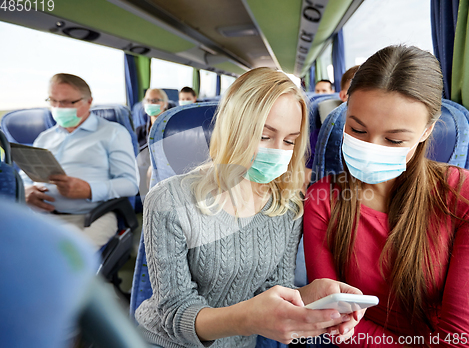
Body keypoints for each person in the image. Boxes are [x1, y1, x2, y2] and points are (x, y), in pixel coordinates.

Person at [135, 67, 364, 348]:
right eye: (265, 136)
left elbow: (273, 288)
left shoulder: (286, 206)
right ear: (233, 129)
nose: (279, 151)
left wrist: (311, 296)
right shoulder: (169, 201)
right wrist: (249, 320)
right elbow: (174, 313)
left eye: (290, 141)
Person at [304, 45, 469, 347]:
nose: (372, 147)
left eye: (394, 139)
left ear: (426, 131)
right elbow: (335, 318)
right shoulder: (323, 199)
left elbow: (466, 341)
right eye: (357, 130)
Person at [23, 73, 138, 249]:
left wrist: (89, 190)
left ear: (89, 102)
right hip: (40, 217)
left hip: (90, 217)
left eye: (68, 102)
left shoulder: (113, 132)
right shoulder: (44, 138)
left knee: (59, 262)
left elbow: (130, 184)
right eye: (53, 101)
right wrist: (25, 190)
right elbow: (24, 176)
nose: (59, 107)